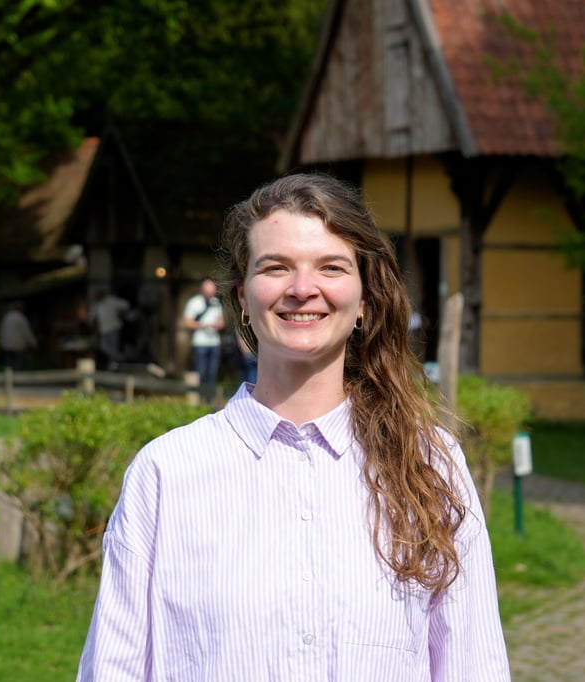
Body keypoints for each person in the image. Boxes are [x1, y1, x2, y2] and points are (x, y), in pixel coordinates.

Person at [77, 173, 511, 681]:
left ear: (365, 298)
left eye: (330, 267)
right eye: (276, 267)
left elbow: (472, 667)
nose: (302, 289)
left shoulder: (430, 463)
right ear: (242, 296)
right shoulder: (165, 474)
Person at [182, 277, 224, 402]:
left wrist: (218, 325)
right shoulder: (194, 302)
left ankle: (209, 399)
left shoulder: (216, 302)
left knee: (212, 372)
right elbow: (187, 323)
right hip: (200, 342)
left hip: (214, 342)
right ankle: (198, 398)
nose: (210, 292)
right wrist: (203, 325)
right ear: (202, 289)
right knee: (200, 371)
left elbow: (221, 321)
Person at [90, 289, 130, 369]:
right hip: (104, 331)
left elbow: (126, 304)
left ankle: (115, 366)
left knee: (110, 348)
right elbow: (92, 316)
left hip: (114, 329)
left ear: (102, 295)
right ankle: (120, 360)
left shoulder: (112, 300)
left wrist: (121, 312)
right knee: (105, 347)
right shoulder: (97, 304)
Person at [0, 300, 37, 372]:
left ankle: (7, 381)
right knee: (17, 366)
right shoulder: (21, 318)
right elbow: (26, 332)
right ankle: (16, 381)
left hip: (6, 345)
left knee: (8, 365)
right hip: (18, 346)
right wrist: (33, 343)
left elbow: (1, 330)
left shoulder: (7, 316)